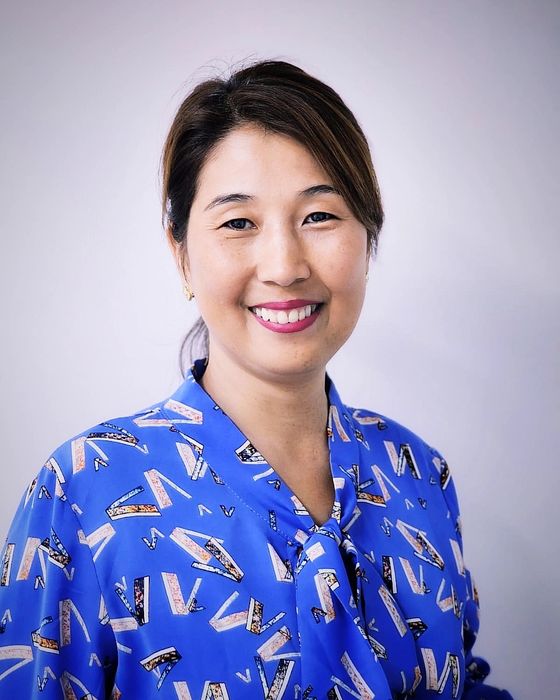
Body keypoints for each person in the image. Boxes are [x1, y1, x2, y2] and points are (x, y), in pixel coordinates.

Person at [0, 59, 514, 700]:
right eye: (238, 223)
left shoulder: (416, 474)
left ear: (368, 237)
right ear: (181, 255)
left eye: (319, 216)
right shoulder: (84, 493)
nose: (284, 265)